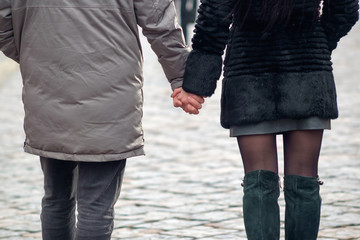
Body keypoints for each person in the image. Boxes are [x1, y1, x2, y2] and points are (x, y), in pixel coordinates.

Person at [0, 0, 203, 239]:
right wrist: (182, 78)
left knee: (56, 197)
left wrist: (42, 61)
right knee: (95, 206)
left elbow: (4, 24)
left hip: (49, 91)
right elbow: (159, 20)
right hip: (111, 92)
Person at [173, 0, 359, 239]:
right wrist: (319, 43)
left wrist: (196, 85)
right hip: (306, 68)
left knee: (258, 181)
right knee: (304, 179)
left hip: (249, 71)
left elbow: (213, 18)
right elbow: (344, 9)